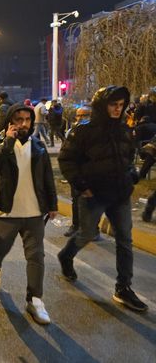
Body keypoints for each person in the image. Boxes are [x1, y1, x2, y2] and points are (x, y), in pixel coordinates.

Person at [58, 86, 147, 312]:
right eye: (113, 105)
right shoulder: (83, 131)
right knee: (87, 233)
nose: (117, 109)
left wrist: (132, 174)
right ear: (102, 105)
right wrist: (81, 185)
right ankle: (66, 256)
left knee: (125, 240)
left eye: (120, 105)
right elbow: (67, 159)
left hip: (120, 194)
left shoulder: (124, 130)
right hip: (93, 195)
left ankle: (123, 287)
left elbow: (128, 157)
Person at [0, 103, 58, 325]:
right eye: (18, 120)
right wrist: (7, 141)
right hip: (7, 211)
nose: (23, 124)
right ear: (10, 122)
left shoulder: (38, 146)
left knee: (36, 256)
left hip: (34, 212)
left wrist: (52, 204)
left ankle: (35, 299)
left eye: (27, 120)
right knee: (0, 248)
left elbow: (47, 178)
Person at [62, 106, 102, 242]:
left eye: (84, 115)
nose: (80, 118)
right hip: (77, 173)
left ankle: (94, 230)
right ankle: (76, 225)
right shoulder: (71, 132)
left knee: (93, 202)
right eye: (78, 116)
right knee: (76, 199)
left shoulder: (97, 132)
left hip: (93, 173)